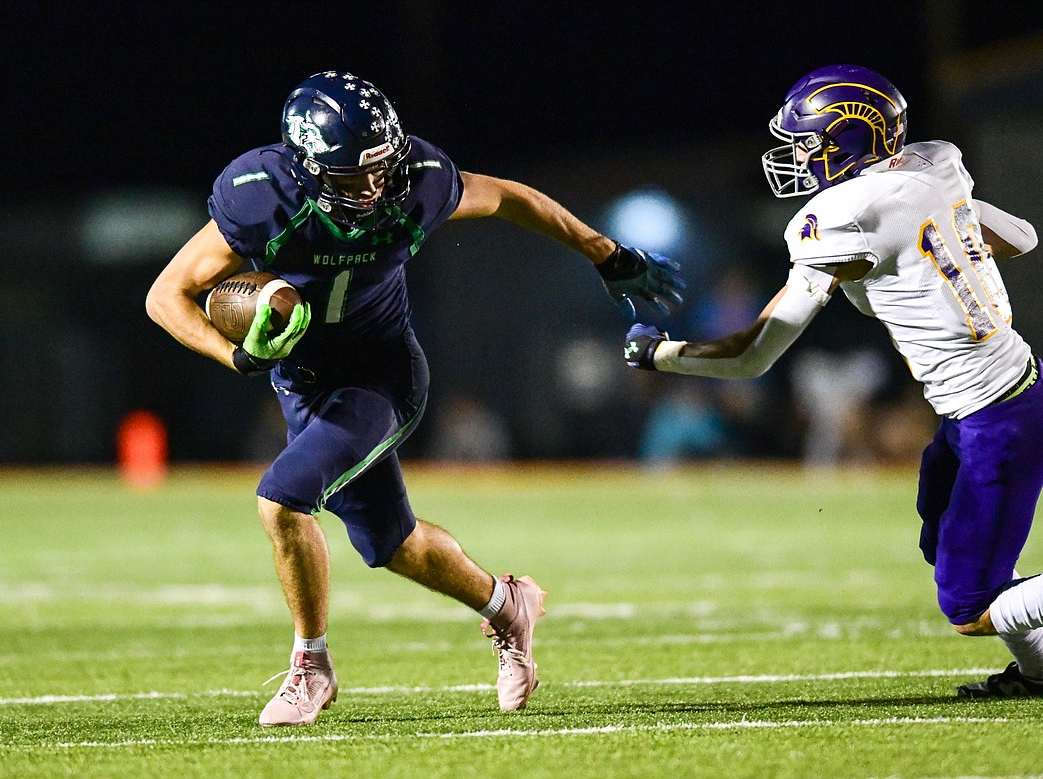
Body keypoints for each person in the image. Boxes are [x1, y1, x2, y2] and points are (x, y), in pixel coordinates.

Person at [147, 70, 684, 726]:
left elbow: (509, 198)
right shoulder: (261, 197)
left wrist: (605, 254)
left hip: (381, 377)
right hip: (305, 389)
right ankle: (506, 603)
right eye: (353, 176)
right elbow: (166, 295)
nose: (374, 186)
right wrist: (234, 354)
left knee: (281, 499)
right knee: (394, 543)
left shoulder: (419, 181)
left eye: (382, 166)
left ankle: (310, 668)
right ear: (308, 170)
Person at [622, 64, 1043, 698]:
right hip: (1007, 396)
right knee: (945, 542)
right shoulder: (932, 165)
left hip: (997, 418)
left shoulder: (843, 214)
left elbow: (753, 356)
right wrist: (948, 244)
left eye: (807, 143)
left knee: (969, 607)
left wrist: (660, 354)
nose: (797, 158)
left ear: (848, 140)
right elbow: (1022, 237)